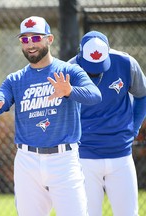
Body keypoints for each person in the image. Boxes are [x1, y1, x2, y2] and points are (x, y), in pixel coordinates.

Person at [0, 16, 102, 216]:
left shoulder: (68, 70)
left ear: (50, 39)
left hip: (64, 160)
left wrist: (69, 90)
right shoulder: (15, 79)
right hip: (28, 161)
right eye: (24, 40)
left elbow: (95, 95)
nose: (30, 45)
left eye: (35, 38)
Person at [68, 30, 146, 216]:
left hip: (121, 155)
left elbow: (142, 95)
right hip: (84, 157)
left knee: (129, 213)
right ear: (80, 54)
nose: (95, 72)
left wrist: (133, 128)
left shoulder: (126, 63)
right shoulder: (69, 69)